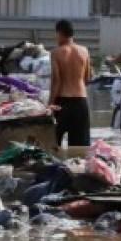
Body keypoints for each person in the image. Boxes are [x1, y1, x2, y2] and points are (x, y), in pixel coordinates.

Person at [49, 19, 92, 147]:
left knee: (53, 146)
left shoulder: (56, 52)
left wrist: (50, 103)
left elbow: (56, 81)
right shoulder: (84, 51)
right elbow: (87, 79)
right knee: (80, 149)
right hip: (81, 103)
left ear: (60, 33)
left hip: (62, 103)